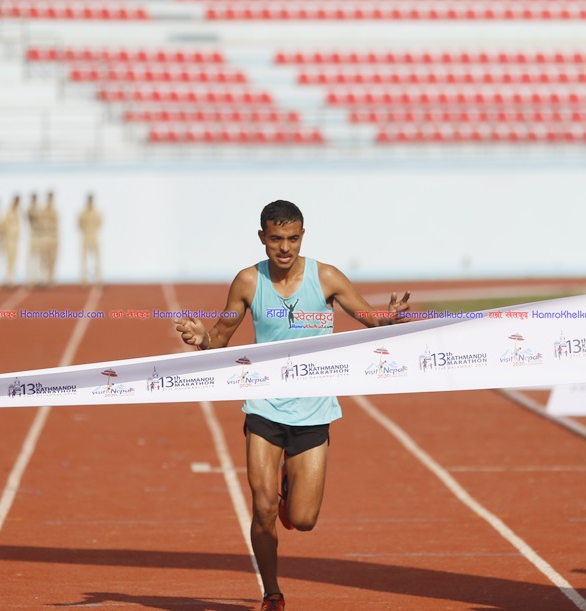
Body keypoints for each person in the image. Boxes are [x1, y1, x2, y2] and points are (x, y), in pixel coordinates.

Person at [175, 200, 411, 611]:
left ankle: (290, 482)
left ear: (302, 236)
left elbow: (371, 320)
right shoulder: (248, 281)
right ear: (262, 237)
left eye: (293, 238)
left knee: (302, 519)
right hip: (264, 406)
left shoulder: (327, 277)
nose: (285, 248)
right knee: (262, 507)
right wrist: (202, 339)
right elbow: (221, 335)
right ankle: (272, 593)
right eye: (276, 239)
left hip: (314, 408)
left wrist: (389, 318)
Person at [78, 193, 102, 287]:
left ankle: (99, 279)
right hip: (85, 235)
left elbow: (100, 223)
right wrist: (85, 231)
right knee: (84, 258)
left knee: (97, 258)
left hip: (94, 235)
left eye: (91, 200)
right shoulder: (82, 213)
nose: (90, 202)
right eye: (89, 200)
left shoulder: (97, 212)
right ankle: (83, 279)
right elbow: (79, 224)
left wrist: (94, 230)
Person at [2, 195, 21, 288]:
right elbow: (5, 224)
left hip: (15, 239)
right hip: (9, 239)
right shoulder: (9, 211)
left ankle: (12, 279)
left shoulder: (18, 211)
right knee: (9, 259)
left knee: (13, 260)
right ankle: (8, 279)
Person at [41, 191, 59, 289]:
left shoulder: (55, 210)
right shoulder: (43, 210)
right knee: (45, 259)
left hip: (54, 237)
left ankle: (51, 279)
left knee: (53, 260)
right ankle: (44, 278)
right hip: (46, 236)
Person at [26, 193, 42, 288]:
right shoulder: (30, 209)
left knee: (38, 257)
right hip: (33, 235)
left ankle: (36, 278)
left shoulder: (39, 209)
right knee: (31, 257)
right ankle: (29, 278)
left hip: (39, 236)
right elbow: (31, 217)